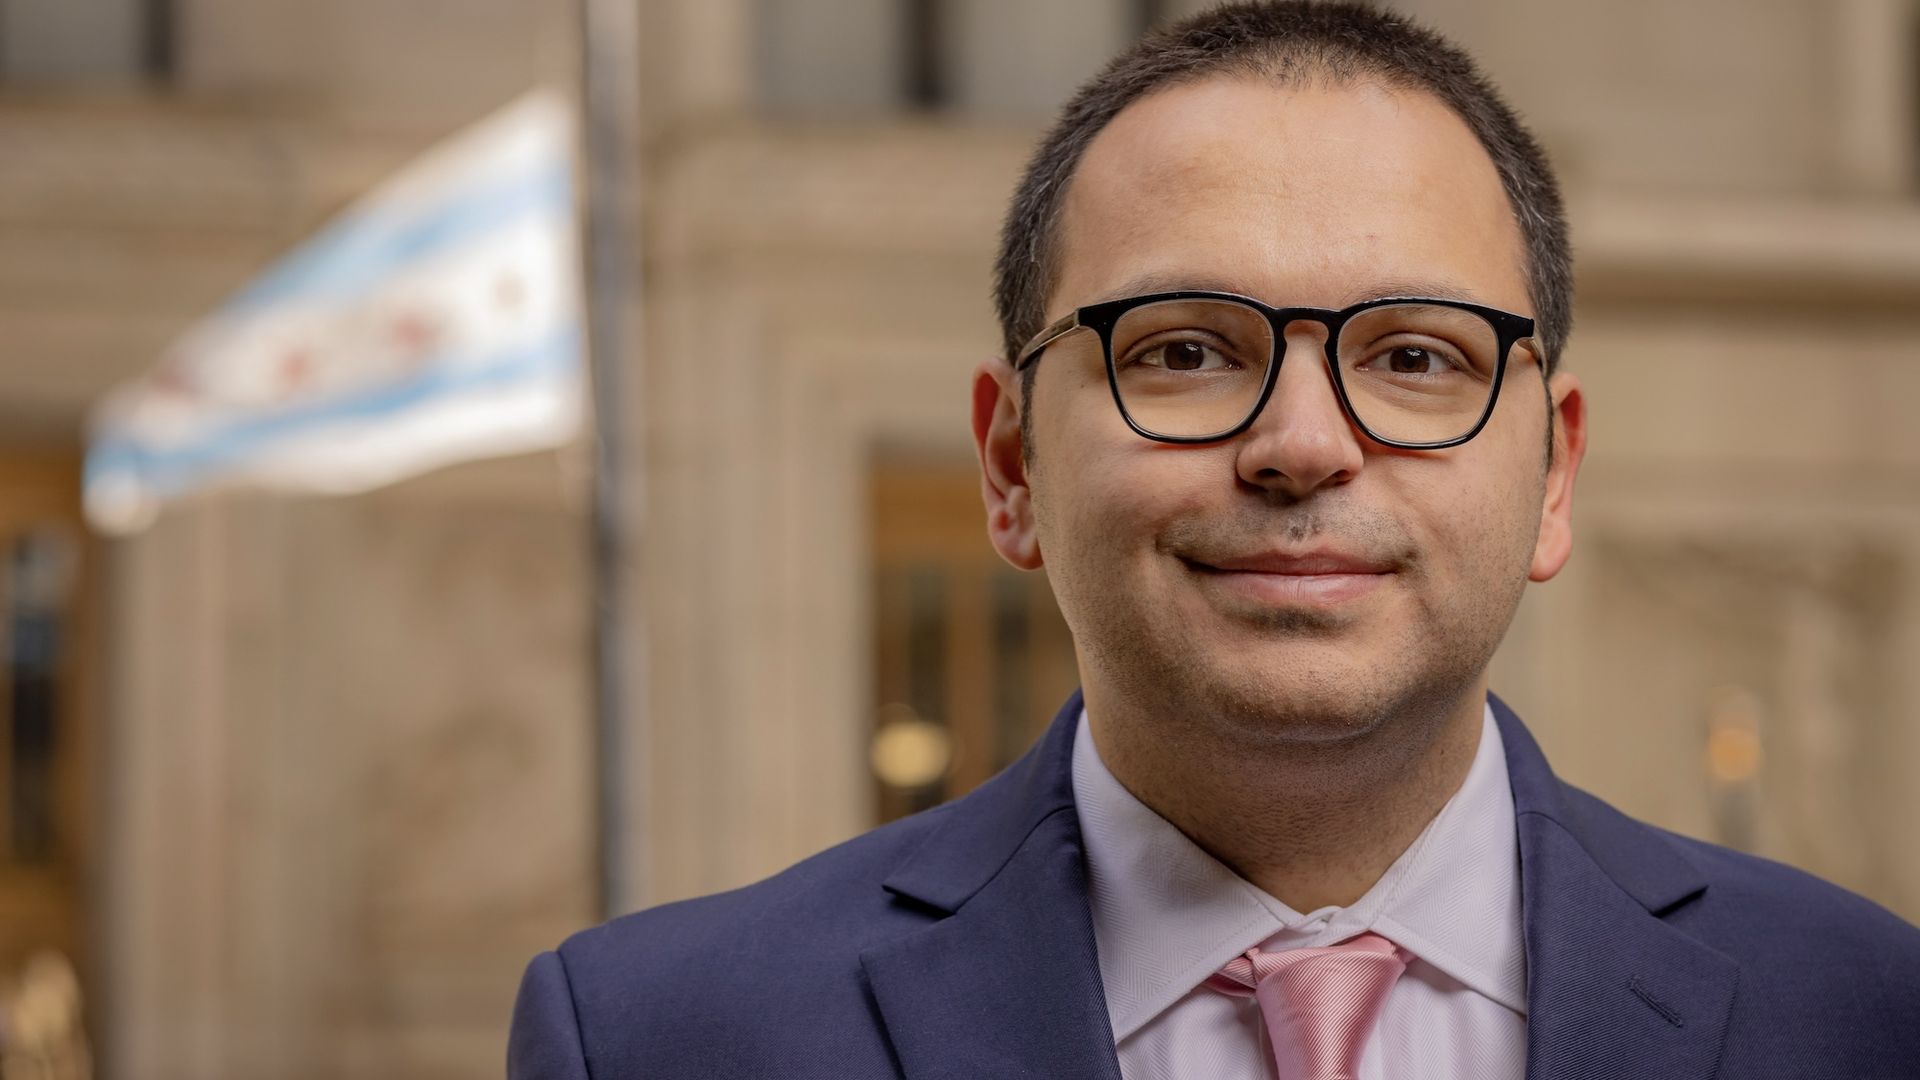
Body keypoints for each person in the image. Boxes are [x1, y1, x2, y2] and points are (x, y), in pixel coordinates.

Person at [509, 3, 1920, 1077]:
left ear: (1554, 475)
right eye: (1183, 348)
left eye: (1417, 357)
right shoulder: (660, 1039)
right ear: (1011, 464)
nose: (1303, 442)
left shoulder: (1861, 1015)